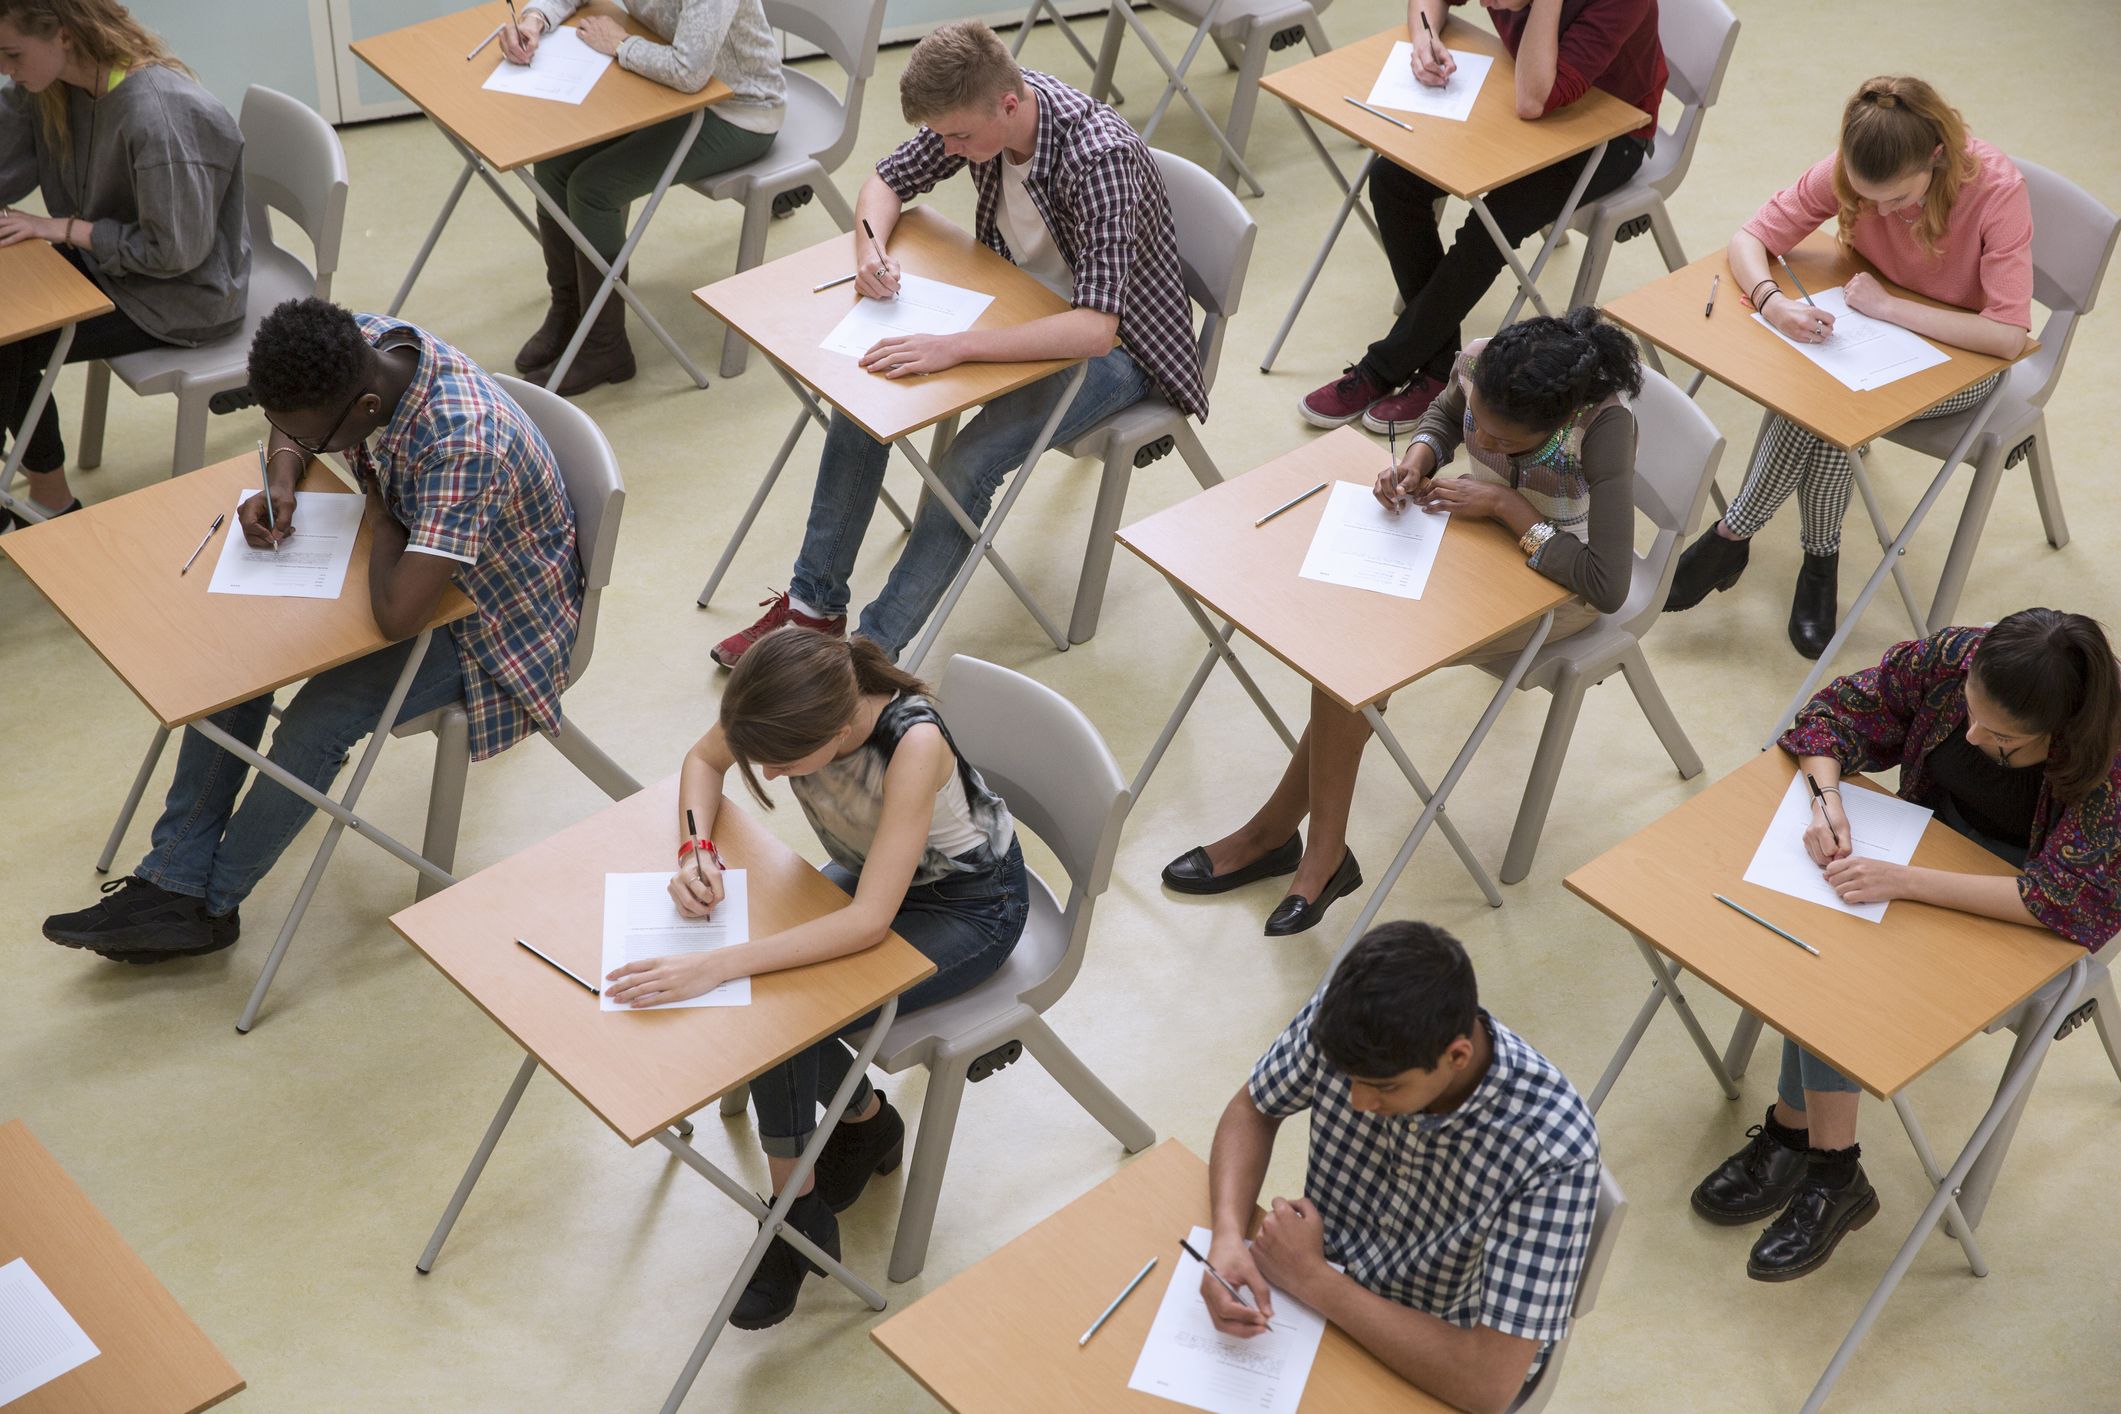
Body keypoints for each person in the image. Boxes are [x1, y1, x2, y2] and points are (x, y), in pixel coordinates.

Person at [42, 298, 581, 961]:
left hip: (493, 623)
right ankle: (172, 880)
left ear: (365, 413)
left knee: (319, 721)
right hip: (411, 560)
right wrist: (283, 477)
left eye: (313, 438)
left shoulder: (461, 443)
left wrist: (382, 521)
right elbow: (294, 431)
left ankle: (209, 906)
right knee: (237, 654)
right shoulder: (359, 344)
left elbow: (400, 615)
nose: (296, 438)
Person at [709, 19, 1205, 668]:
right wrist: (871, 249)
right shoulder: (976, 118)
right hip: (1010, 310)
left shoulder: (1097, 158)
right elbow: (883, 185)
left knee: (966, 465)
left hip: (1121, 354)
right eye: (940, 135)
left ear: (1009, 102)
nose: (946, 148)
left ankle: (871, 657)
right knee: (862, 398)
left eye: (957, 137)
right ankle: (813, 611)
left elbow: (1094, 328)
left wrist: (956, 347)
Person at [1166, 308, 1642, 935]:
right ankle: (1293, 843)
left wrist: (1504, 505)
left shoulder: (1604, 429)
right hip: (1474, 544)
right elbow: (1446, 416)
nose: (1487, 446)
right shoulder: (1478, 362)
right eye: (1485, 433)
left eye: (1505, 445)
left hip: (1556, 585)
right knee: (1351, 651)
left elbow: (1608, 586)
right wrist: (1418, 459)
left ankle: (1293, 844)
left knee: (1360, 661)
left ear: (1556, 421)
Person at [604, 627, 1026, 1328]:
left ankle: (793, 1218)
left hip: (970, 907)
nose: (768, 776)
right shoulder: (790, 700)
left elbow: (866, 924)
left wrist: (713, 963)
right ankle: (859, 1126)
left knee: (777, 1017)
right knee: (769, 1002)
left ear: (839, 727)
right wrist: (694, 849)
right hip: (877, 878)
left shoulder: (913, 746)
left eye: (782, 763)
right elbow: (702, 761)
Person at [1693, 609, 2120, 1281]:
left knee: (1833, 963)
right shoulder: (1953, 661)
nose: (1972, 735)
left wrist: (1902, 881)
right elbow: (1829, 715)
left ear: (2059, 734)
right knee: (1816, 939)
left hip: (2013, 908)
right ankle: (1814, 1151)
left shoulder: (2110, 762)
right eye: (1970, 715)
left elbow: (2060, 901)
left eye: (2001, 740)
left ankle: (1812, 1149)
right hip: (1922, 849)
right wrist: (1825, 798)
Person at [1663, 76, 2034, 658]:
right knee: (1827, 400)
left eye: (1895, 200)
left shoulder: (1996, 190)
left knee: (1831, 404)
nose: (1879, 212)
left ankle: (1732, 533)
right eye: (1865, 197)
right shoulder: (1853, 166)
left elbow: (2009, 337)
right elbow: (1751, 238)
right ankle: (1819, 560)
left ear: (1936, 156)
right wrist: (1773, 303)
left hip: (1963, 361)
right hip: (1873, 330)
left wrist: (1892, 309)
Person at [1204, 923, 1600, 1414]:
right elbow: (1253, 1109)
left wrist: (1315, 1281)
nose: (1358, 1100)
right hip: (1317, 1310)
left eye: (1384, 1088)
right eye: (1349, 1079)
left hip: (1431, 1361)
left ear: (1457, 1056)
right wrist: (1225, 1234)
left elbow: (1487, 1382)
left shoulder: (1553, 1151)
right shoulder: (1348, 1021)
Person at [1297, 0, 1664, 436]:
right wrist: (1424, 38)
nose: (1486, 5)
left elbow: (1533, 99)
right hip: (1519, 105)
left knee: (1490, 224)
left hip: (1611, 134)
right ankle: (1440, 368)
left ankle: (1381, 368)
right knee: (1392, 179)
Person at [0, 0, 247, 521]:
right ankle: (42, 496)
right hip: (113, 267)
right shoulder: (52, 88)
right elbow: (6, 166)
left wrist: (63, 228)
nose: (6, 68)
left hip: (181, 297)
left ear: (62, 35)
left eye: (12, 54)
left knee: (10, 339)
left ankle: (49, 503)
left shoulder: (159, 114)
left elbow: (176, 252)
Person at [503, 0, 784, 396]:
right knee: (552, 165)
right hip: (664, 93)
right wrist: (535, 19)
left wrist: (620, 44)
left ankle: (606, 345)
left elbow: (689, 71)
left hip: (738, 109)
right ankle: (569, 310)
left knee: (594, 188)